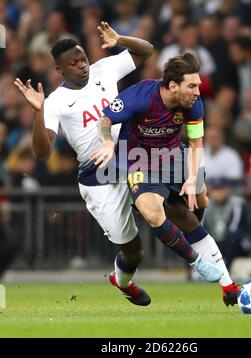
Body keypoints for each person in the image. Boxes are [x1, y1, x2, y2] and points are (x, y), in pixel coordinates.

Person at [14, 22, 154, 306]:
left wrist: (119, 39)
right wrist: (39, 113)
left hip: (129, 156)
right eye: (74, 63)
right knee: (133, 252)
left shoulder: (104, 69)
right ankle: (122, 281)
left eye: (83, 59)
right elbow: (42, 154)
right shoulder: (55, 103)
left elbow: (147, 51)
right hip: (97, 177)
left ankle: (203, 257)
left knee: (164, 203)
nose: (82, 66)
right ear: (59, 70)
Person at [92, 52, 240, 306]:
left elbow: (195, 141)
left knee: (200, 200)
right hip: (139, 161)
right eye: (192, 85)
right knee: (151, 211)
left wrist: (193, 178)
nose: (197, 91)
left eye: (198, 85)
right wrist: (107, 141)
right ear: (173, 85)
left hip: (173, 157)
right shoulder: (140, 96)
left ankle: (227, 285)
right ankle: (196, 261)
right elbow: (104, 120)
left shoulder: (194, 103)